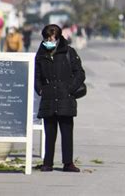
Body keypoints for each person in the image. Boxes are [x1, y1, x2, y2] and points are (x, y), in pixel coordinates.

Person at [34, 24, 85, 172]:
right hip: (48, 98)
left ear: (58, 38)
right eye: (47, 39)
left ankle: (68, 163)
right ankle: (47, 162)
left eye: (53, 39)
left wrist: (70, 88)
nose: (50, 41)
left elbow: (80, 73)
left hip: (65, 98)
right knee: (49, 133)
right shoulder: (41, 54)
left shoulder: (69, 52)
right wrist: (40, 89)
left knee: (67, 132)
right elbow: (36, 75)